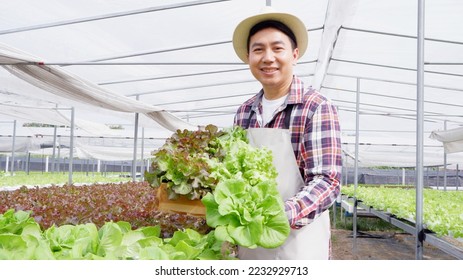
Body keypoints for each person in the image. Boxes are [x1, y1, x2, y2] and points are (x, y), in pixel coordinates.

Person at [232, 6, 342, 259]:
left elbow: (327, 181)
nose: (267, 58)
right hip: (251, 238)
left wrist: (278, 216)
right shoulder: (244, 112)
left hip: (300, 242)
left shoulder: (316, 107)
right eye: (258, 49)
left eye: (277, 48)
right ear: (248, 57)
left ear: (294, 54)